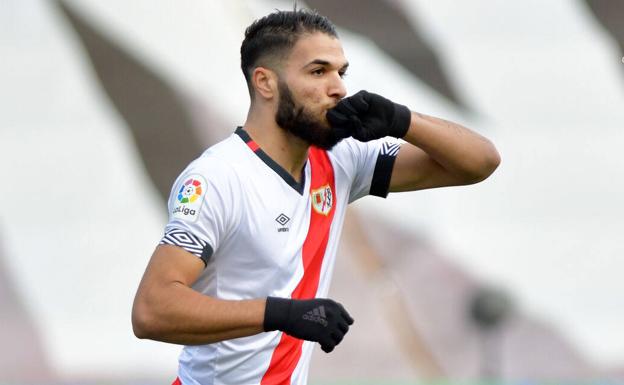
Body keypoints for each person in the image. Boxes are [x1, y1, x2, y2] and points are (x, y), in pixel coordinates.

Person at [131, 9, 500, 385]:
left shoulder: (340, 160)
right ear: (265, 83)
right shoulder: (218, 178)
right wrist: (282, 314)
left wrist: (402, 120)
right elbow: (152, 310)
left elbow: (479, 163)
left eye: (341, 72)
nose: (338, 87)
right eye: (318, 71)